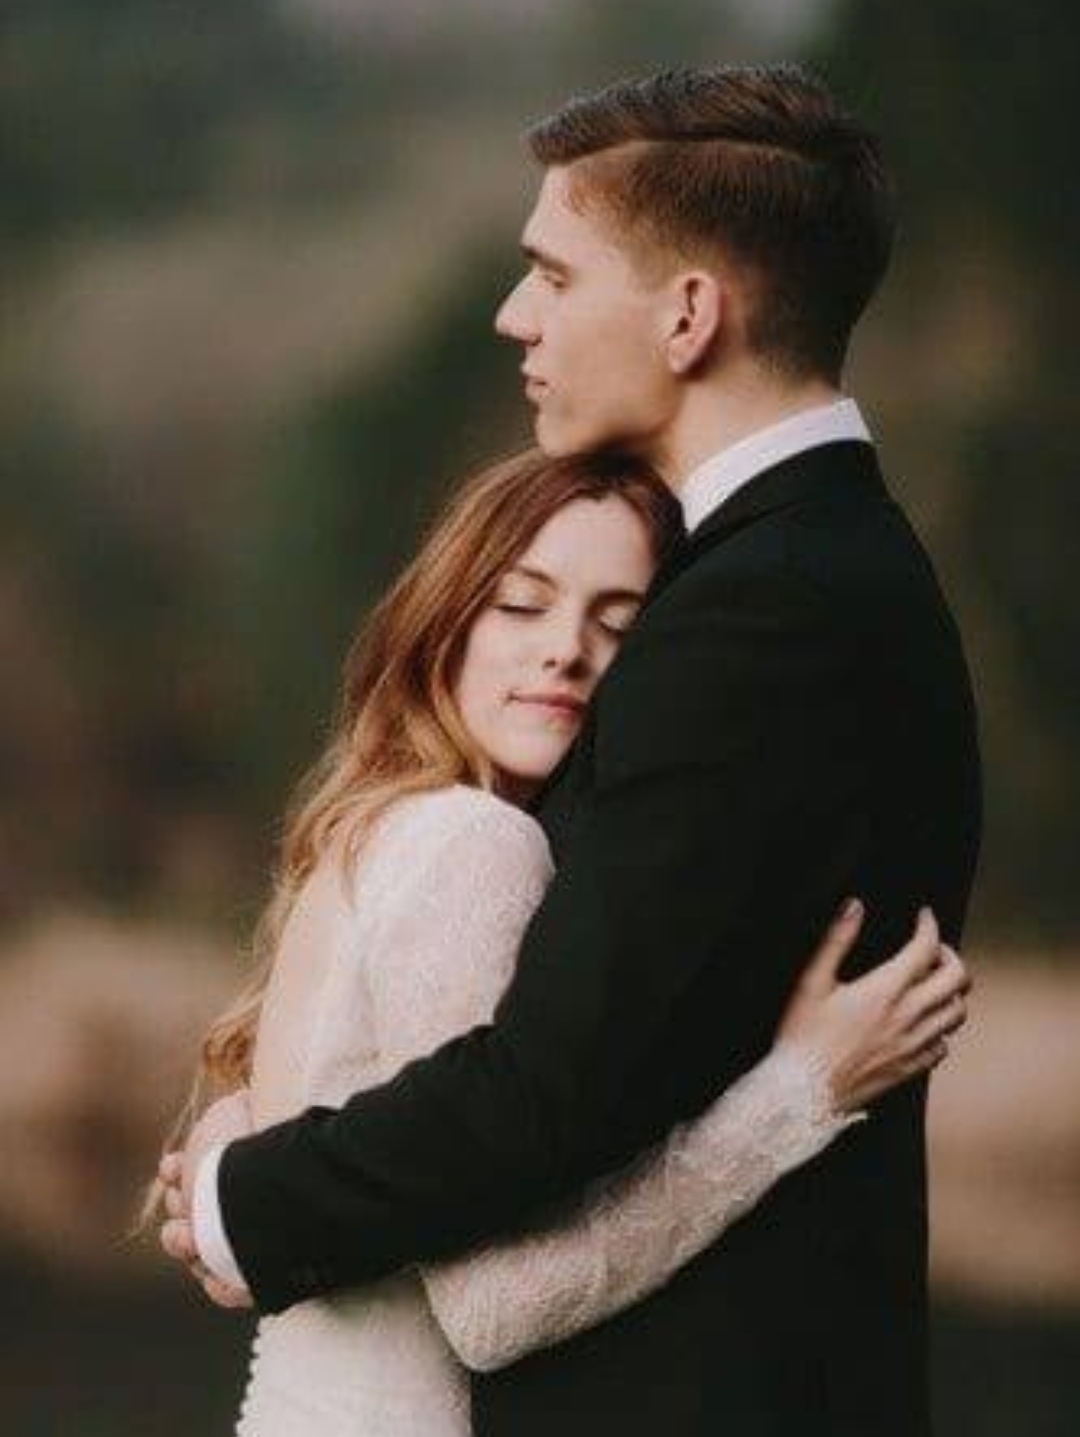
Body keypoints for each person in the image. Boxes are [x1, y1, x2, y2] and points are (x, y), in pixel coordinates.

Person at [162, 64, 982, 1437]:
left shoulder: (760, 611)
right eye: (526, 606)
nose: (515, 313)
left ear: (687, 315)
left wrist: (246, 1196)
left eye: (553, 272)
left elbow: (551, 1087)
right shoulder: (821, 570)